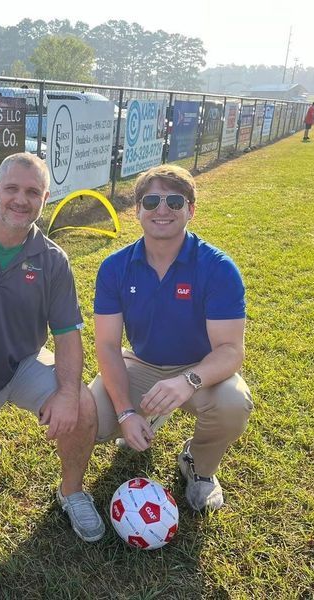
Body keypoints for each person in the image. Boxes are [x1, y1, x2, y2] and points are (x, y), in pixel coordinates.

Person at [0, 152, 105, 542]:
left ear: (45, 198)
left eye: (32, 191)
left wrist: (67, 392)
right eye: (12, 188)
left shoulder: (52, 259)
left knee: (82, 402)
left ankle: (72, 491)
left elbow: (68, 333)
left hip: (21, 366)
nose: (21, 199)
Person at [90, 164, 253, 512]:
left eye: (174, 202)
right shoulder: (115, 267)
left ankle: (199, 465)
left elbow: (230, 351)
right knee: (86, 414)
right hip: (141, 363)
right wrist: (125, 412)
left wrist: (188, 380)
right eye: (151, 201)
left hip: (199, 368)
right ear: (137, 211)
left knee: (233, 403)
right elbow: (106, 345)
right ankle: (139, 418)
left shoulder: (218, 267)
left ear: (191, 210)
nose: (162, 209)